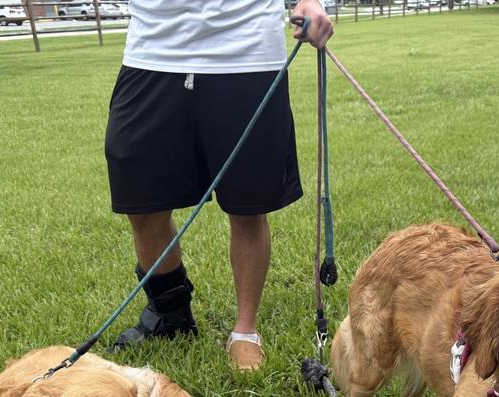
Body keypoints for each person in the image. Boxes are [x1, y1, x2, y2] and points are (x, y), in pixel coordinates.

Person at [104, 0, 334, 370]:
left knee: (247, 206)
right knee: (142, 203)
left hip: (246, 54)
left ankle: (245, 331)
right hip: (152, 52)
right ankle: (170, 316)